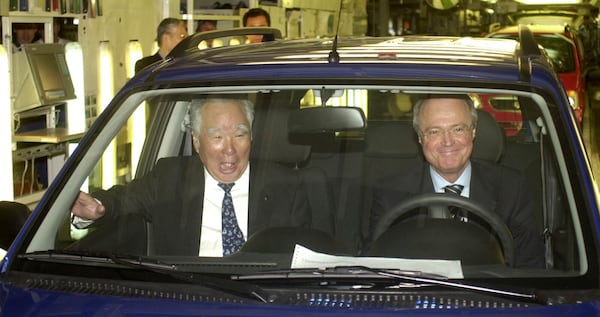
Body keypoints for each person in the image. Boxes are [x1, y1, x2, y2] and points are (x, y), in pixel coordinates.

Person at [70, 97, 312, 257]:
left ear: (251, 136)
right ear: (196, 141)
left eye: (239, 135)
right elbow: (122, 200)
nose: (230, 150)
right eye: (216, 138)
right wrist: (99, 207)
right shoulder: (170, 178)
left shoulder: (286, 186)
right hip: (187, 297)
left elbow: (304, 257)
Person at [367, 95, 544, 268]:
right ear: (420, 138)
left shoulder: (512, 188)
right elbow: (376, 268)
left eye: (458, 129)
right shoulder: (390, 194)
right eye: (434, 131)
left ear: (473, 131)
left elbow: (529, 267)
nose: (448, 142)